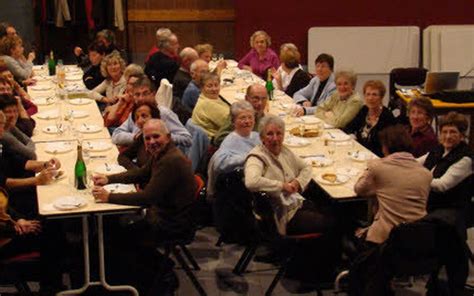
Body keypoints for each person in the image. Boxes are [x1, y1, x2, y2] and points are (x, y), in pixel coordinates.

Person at [92, 119, 196, 295]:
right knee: (115, 227)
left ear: (168, 137)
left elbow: (147, 198)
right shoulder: (161, 154)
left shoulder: (170, 161)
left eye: (156, 137)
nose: (151, 142)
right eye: (147, 138)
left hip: (172, 225)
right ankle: (148, 268)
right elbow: (141, 173)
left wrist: (109, 196)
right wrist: (109, 179)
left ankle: (143, 278)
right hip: (164, 215)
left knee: (116, 233)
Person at [350, 124, 432, 295]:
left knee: (349, 224)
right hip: (418, 239)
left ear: (386, 147)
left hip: (386, 241)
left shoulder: (378, 167)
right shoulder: (425, 174)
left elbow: (360, 190)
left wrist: (371, 174)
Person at [244, 115, 334, 236]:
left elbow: (306, 167)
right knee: (331, 223)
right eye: (270, 134)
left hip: (295, 203)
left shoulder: (284, 151)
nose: (275, 138)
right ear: (261, 138)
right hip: (281, 216)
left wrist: (297, 182)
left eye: (279, 133)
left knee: (334, 210)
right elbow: (251, 182)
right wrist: (282, 186)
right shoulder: (257, 157)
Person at [419, 112, 474, 240]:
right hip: (430, 200)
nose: (448, 136)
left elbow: (441, 185)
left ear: (462, 135)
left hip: (449, 208)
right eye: (444, 132)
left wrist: (417, 178)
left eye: (453, 132)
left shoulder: (465, 159)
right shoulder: (439, 149)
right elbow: (416, 161)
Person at [111, 76, 192, 150]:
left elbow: (187, 139)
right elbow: (116, 135)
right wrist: (136, 137)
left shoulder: (164, 113)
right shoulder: (136, 112)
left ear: (153, 94)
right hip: (138, 156)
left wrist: (161, 137)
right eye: (137, 94)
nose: (141, 98)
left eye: (145, 93)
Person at [210, 101, 261, 179]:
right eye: (242, 118)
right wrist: (247, 157)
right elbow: (218, 164)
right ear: (233, 122)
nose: (247, 121)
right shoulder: (230, 141)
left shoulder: (257, 136)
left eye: (250, 117)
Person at [344, 80, 395, 157]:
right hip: (358, 154)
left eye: (374, 94)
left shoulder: (387, 116)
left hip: (377, 157)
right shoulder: (364, 110)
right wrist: (352, 135)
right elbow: (348, 127)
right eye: (368, 94)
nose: (370, 98)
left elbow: (390, 144)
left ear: (381, 97)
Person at [118, 102, 161, 170]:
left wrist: (138, 174)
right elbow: (123, 156)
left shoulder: (161, 141)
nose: (140, 121)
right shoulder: (142, 136)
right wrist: (136, 170)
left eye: (144, 116)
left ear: (155, 118)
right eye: (137, 118)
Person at [191, 72, 230, 139]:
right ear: (202, 88)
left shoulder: (206, 97)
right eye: (209, 86)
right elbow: (231, 123)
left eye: (216, 85)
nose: (214, 89)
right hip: (217, 140)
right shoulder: (208, 104)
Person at [0, 94, 35, 160]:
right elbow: (31, 155)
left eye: (15, 111)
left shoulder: (9, 126)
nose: (13, 115)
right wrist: (28, 149)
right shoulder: (4, 135)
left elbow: (29, 141)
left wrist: (27, 148)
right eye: (8, 112)